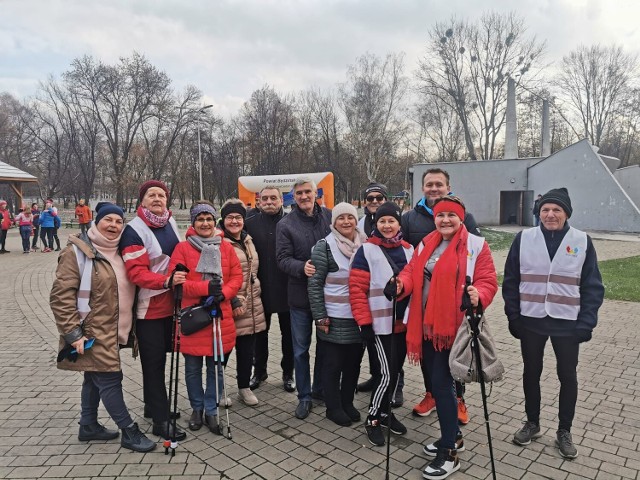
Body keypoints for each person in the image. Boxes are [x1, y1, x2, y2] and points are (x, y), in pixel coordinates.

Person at [397, 195, 497, 479]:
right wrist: (400, 284)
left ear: (460, 218)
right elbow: (410, 272)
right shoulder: (426, 243)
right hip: (427, 325)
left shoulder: (476, 246)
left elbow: (488, 280)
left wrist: (480, 294)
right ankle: (452, 437)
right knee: (440, 385)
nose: (445, 220)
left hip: (454, 327)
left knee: (441, 385)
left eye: (451, 216)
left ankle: (449, 453)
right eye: (441, 216)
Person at [503, 187, 604, 459]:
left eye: (556, 210)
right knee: (531, 373)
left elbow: (593, 286)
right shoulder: (524, 239)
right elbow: (511, 281)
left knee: (567, 377)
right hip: (531, 319)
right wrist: (513, 316)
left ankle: (564, 431)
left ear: (566, 213)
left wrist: (587, 322)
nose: (550, 214)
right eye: (545, 209)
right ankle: (532, 423)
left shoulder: (581, 240)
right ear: (539, 213)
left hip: (567, 322)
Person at [50, 203, 156, 453]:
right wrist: (73, 333)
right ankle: (129, 431)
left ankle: (88, 425)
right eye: (108, 220)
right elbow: (61, 297)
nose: (113, 226)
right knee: (110, 377)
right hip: (91, 332)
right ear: (96, 222)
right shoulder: (76, 252)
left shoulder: (120, 252)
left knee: (93, 375)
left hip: (115, 330)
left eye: (118, 222)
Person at [401, 168, 481, 424]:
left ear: (448, 187)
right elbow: (406, 256)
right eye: (429, 185)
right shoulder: (410, 218)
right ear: (422, 188)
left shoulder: (465, 216)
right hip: (423, 304)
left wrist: (476, 293)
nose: (433, 188)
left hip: (452, 308)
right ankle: (432, 394)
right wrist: (400, 282)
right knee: (429, 358)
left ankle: (458, 400)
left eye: (439, 184)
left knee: (453, 357)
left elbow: (477, 261)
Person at [119, 180, 188, 441]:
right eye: (152, 195)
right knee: (154, 361)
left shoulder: (168, 221)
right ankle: (160, 421)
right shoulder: (134, 230)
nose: (157, 198)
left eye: (161, 195)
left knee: (161, 358)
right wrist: (165, 281)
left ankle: (153, 405)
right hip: (149, 307)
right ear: (142, 200)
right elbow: (136, 273)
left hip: (171, 302)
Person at [168, 201, 242, 434]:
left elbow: (236, 277)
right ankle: (197, 408)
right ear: (193, 223)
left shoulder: (225, 247)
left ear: (214, 222)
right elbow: (176, 283)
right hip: (194, 318)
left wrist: (225, 293)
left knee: (216, 368)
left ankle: (211, 409)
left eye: (209, 219)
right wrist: (206, 289)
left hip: (220, 316)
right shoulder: (182, 248)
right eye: (200, 219)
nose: (205, 223)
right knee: (192, 368)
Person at [349, 201, 413, 447]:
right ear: (376, 223)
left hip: (402, 324)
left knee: (394, 373)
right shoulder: (366, 251)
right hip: (378, 324)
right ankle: (373, 417)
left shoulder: (409, 249)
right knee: (385, 374)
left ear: (399, 224)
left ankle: (386, 412)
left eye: (392, 221)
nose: (387, 225)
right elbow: (356, 290)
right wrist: (364, 323)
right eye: (382, 221)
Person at [276, 177, 331, 419]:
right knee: (300, 350)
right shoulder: (285, 224)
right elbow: (282, 258)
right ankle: (304, 396)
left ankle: (320, 389)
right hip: (299, 296)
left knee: (325, 346)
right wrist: (301, 267)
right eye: (299, 193)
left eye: (307, 191)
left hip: (328, 296)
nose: (304, 196)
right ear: (294, 197)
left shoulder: (329, 217)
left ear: (315, 193)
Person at [308, 202, 367, 427]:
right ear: (333, 222)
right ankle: (333, 407)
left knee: (353, 364)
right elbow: (314, 285)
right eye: (340, 218)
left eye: (350, 218)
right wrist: (320, 317)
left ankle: (348, 402)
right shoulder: (324, 246)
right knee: (332, 365)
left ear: (355, 220)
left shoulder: (365, 245)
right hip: (333, 318)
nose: (346, 222)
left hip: (358, 317)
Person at [245, 187, 295, 393]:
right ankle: (259, 371)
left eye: (273, 198)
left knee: (289, 335)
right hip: (260, 289)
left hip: (287, 289)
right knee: (259, 334)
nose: (269, 201)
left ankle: (288, 373)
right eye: (264, 198)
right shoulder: (249, 224)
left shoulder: (291, 222)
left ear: (281, 200)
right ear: (258, 201)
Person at [220, 199, 267, 406]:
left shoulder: (248, 239)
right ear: (223, 220)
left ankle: (243, 388)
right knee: (224, 351)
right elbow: (217, 277)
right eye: (230, 217)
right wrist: (232, 301)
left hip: (251, 303)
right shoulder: (218, 242)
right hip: (230, 304)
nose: (234, 221)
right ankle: (218, 390)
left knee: (247, 349)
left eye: (238, 217)